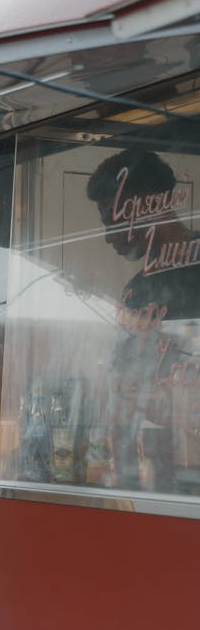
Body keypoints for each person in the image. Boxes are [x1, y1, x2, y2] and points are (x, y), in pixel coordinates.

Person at [86, 146, 200, 489]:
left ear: (142, 203)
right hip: (159, 467)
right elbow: (120, 384)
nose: (107, 237)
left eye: (111, 219)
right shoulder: (135, 291)